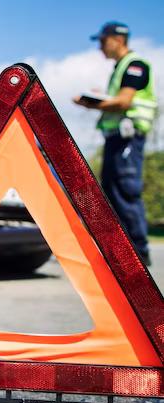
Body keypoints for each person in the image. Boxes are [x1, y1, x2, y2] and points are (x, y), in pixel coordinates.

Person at [74, 21, 157, 266]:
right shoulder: (120, 67)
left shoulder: (135, 65)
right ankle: (122, 252)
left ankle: (138, 254)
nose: (100, 47)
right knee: (111, 190)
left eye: (102, 41)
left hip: (128, 139)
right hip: (116, 140)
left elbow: (124, 102)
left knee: (125, 190)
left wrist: (93, 103)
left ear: (117, 40)